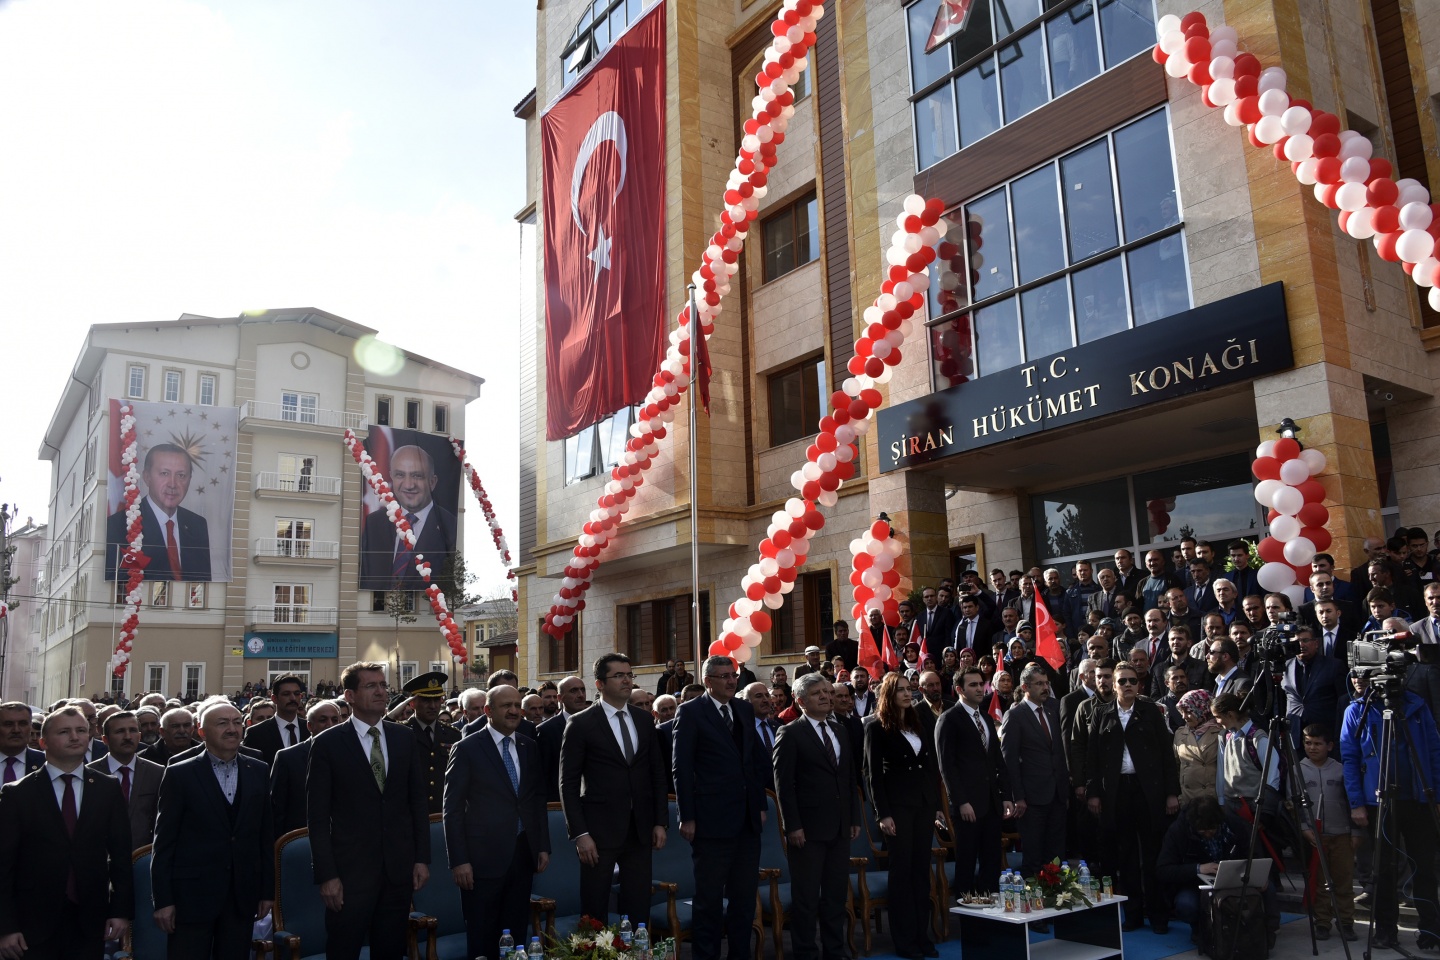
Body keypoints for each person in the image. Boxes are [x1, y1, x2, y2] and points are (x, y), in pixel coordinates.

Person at [306, 661, 431, 960]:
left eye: (383, 685)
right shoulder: (328, 744)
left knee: (390, 950)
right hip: (349, 876)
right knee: (344, 949)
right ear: (349, 696)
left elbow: (417, 803)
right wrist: (327, 876)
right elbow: (318, 817)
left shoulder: (403, 738)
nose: (381, 691)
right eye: (371, 686)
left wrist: (421, 859)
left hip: (398, 871)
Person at [0, 705, 133, 959]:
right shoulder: (18, 793)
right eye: (64, 731)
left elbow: (120, 855)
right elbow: (3, 864)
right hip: (32, 922)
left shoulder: (107, 788)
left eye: (81, 730)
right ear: (43, 742)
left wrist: (120, 910)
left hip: (90, 918)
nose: (75, 737)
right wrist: (5, 927)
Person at [151, 700, 273, 959]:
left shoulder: (259, 769)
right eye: (222, 723)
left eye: (237, 722)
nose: (232, 729)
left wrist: (266, 892)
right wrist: (163, 900)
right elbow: (164, 843)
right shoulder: (179, 774)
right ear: (202, 732)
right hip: (192, 896)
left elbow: (264, 835)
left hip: (241, 895)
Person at [558, 653, 668, 924]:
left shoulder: (643, 721)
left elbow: (657, 774)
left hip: (640, 829)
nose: (627, 680)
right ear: (599, 684)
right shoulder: (581, 723)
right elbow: (568, 783)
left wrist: (659, 822)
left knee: (638, 907)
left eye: (630, 675)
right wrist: (580, 833)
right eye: (619, 675)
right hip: (598, 832)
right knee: (595, 909)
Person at [443, 685, 549, 960]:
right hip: (481, 861)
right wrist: (459, 860)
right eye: (506, 706)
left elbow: (536, 800)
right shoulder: (466, 748)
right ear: (488, 711)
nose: (514, 711)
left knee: (516, 936)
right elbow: (452, 809)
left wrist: (541, 846)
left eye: (517, 705)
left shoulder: (528, 746)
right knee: (482, 936)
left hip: (522, 855)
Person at [673, 656, 767, 960]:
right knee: (709, 901)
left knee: (743, 901)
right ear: (708, 681)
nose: (731, 681)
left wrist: (760, 804)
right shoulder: (690, 712)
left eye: (734, 675)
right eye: (724, 676)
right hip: (710, 821)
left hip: (747, 821)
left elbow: (752, 761)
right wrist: (687, 815)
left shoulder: (743, 708)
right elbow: (682, 769)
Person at [1341, 682, 1440, 950]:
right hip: (1378, 803)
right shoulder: (1357, 710)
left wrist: (1437, 795)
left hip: (1419, 799)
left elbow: (1434, 751)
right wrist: (1356, 802)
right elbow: (1349, 758)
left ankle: (1432, 930)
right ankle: (1386, 930)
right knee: (1383, 871)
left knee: (1425, 868)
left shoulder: (1416, 705)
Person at [1085, 662, 1178, 933]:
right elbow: (1093, 758)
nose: (1128, 685)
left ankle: (1158, 916)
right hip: (1116, 792)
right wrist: (1093, 792)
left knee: (1152, 854)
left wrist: (1171, 792)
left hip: (1148, 790)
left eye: (1132, 681)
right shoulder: (1101, 713)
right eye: (1122, 681)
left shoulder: (1151, 711)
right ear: (1113, 685)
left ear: (1140, 685)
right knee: (1125, 857)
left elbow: (1166, 756)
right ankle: (1133, 915)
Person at [772, 675, 860, 960]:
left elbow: (848, 778)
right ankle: (806, 954)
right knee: (807, 899)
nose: (825, 696)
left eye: (827, 691)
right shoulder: (790, 733)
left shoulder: (840, 729)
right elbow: (784, 786)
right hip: (807, 831)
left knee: (835, 897)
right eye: (817, 693)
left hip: (839, 827)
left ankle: (835, 952)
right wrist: (792, 825)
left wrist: (854, 817)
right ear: (800, 701)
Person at [863, 672, 940, 960]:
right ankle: (905, 941)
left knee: (921, 871)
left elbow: (929, 765)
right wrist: (882, 814)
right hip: (896, 809)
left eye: (910, 689)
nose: (908, 694)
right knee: (902, 873)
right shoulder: (876, 728)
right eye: (901, 691)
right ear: (888, 694)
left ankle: (923, 937)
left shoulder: (918, 722)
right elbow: (872, 775)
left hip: (922, 805)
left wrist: (934, 804)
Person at [936, 665, 1012, 897]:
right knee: (967, 861)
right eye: (973, 685)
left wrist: (1006, 795)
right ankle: (968, 911)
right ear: (959, 689)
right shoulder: (949, 719)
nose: (980, 689)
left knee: (991, 860)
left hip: (991, 802)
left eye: (981, 684)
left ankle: (990, 908)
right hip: (967, 805)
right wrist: (961, 802)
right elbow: (946, 767)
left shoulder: (987, 718)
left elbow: (998, 760)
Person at [104, 442, 212, 581]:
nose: (172, 484)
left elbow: (202, 582)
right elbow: (114, 582)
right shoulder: (119, 524)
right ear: (147, 477)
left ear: (189, 479)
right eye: (164, 473)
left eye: (181, 475)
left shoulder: (197, 525)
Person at [358, 444, 457, 591]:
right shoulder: (374, 523)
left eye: (417, 476)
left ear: (432, 482)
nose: (409, 485)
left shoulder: (451, 527)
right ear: (391, 476)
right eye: (400, 475)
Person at [1000, 664, 1068, 877]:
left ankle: (1056, 898)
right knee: (1033, 856)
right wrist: (1017, 796)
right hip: (1031, 799)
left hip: (1057, 794)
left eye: (1046, 683)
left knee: (1056, 855)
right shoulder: (1015, 715)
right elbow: (1009, 760)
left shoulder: (1054, 710)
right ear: (1025, 687)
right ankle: (1034, 904)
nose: (1045, 687)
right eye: (1039, 684)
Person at [1296, 724, 1356, 942]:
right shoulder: (1298, 769)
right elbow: (1294, 805)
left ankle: (1346, 922)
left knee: (1343, 880)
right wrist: (1304, 828)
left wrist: (1355, 831)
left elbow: (1352, 802)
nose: (1312, 748)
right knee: (1320, 882)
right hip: (1315, 835)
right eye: (1308, 743)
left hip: (1341, 833)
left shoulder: (1341, 769)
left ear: (1329, 746)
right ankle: (1322, 922)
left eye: (1318, 743)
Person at [90, 710, 163, 849]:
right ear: (105, 739)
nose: (128, 737)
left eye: (133, 730)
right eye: (120, 731)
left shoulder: (157, 772)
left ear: (140, 736)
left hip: (142, 857)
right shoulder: (90, 773)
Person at [270, 700, 340, 835]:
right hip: (299, 839)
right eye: (323, 720)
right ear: (310, 726)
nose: (330, 725)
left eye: (335, 720)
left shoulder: (351, 753)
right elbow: (277, 810)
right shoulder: (288, 757)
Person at [399, 671, 462, 814]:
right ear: (412, 703)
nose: (433, 706)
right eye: (426, 700)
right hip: (410, 814)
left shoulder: (453, 735)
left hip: (444, 812)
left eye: (437, 699)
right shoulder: (400, 732)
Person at [1281, 625, 1348, 750]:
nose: (1301, 645)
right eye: (1297, 642)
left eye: (1305, 640)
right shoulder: (1285, 667)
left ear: (1316, 643)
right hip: (1295, 734)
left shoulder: (1334, 665)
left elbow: (1343, 701)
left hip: (1325, 735)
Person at [536, 675, 588, 803]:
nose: (580, 695)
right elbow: (543, 775)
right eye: (573, 691)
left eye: (583, 690)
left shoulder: (596, 724)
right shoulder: (546, 730)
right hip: (560, 804)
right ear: (560, 698)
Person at [242, 673, 309, 766]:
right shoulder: (256, 733)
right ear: (274, 698)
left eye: (296, 693)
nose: (293, 698)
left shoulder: (311, 728)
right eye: (286, 694)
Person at [1173, 690, 1220, 804]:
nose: (1184, 716)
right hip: (1187, 799)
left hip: (1210, 800)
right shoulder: (1180, 733)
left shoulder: (1220, 732)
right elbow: (1175, 766)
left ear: (1202, 708)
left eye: (1189, 711)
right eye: (1182, 712)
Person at [0, 702, 44, 785]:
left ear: (30, 726)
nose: (16, 730)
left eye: (22, 724)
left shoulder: (45, 763)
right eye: (8, 724)